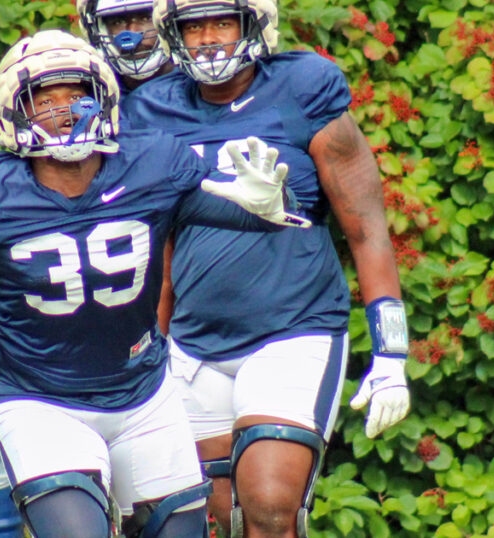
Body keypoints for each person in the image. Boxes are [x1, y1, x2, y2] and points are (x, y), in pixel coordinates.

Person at [0, 29, 307, 538]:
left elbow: (252, 215)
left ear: (104, 99)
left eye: (78, 95)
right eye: (46, 100)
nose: (65, 111)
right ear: (12, 112)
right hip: (40, 397)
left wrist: (273, 205)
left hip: (143, 393)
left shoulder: (150, 163)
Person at [120, 1, 411, 536]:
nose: (208, 38)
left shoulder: (303, 87)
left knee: (272, 507)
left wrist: (391, 351)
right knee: (212, 519)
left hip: (294, 330)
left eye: (222, 22)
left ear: (253, 22)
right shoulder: (151, 109)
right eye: (193, 25)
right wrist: (149, 349)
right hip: (195, 340)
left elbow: (366, 227)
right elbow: (155, 246)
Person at [76, 0, 174, 92]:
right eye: (118, 22)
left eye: (146, 18)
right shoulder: (95, 92)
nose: (132, 32)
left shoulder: (189, 87)